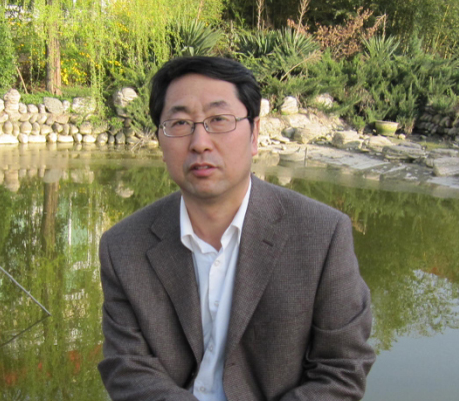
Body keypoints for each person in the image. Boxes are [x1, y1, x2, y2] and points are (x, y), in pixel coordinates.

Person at [98, 56, 375, 401]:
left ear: (254, 134)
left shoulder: (322, 235)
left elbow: (342, 368)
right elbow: (128, 367)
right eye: (180, 123)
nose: (200, 142)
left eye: (219, 120)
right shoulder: (123, 246)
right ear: (160, 141)